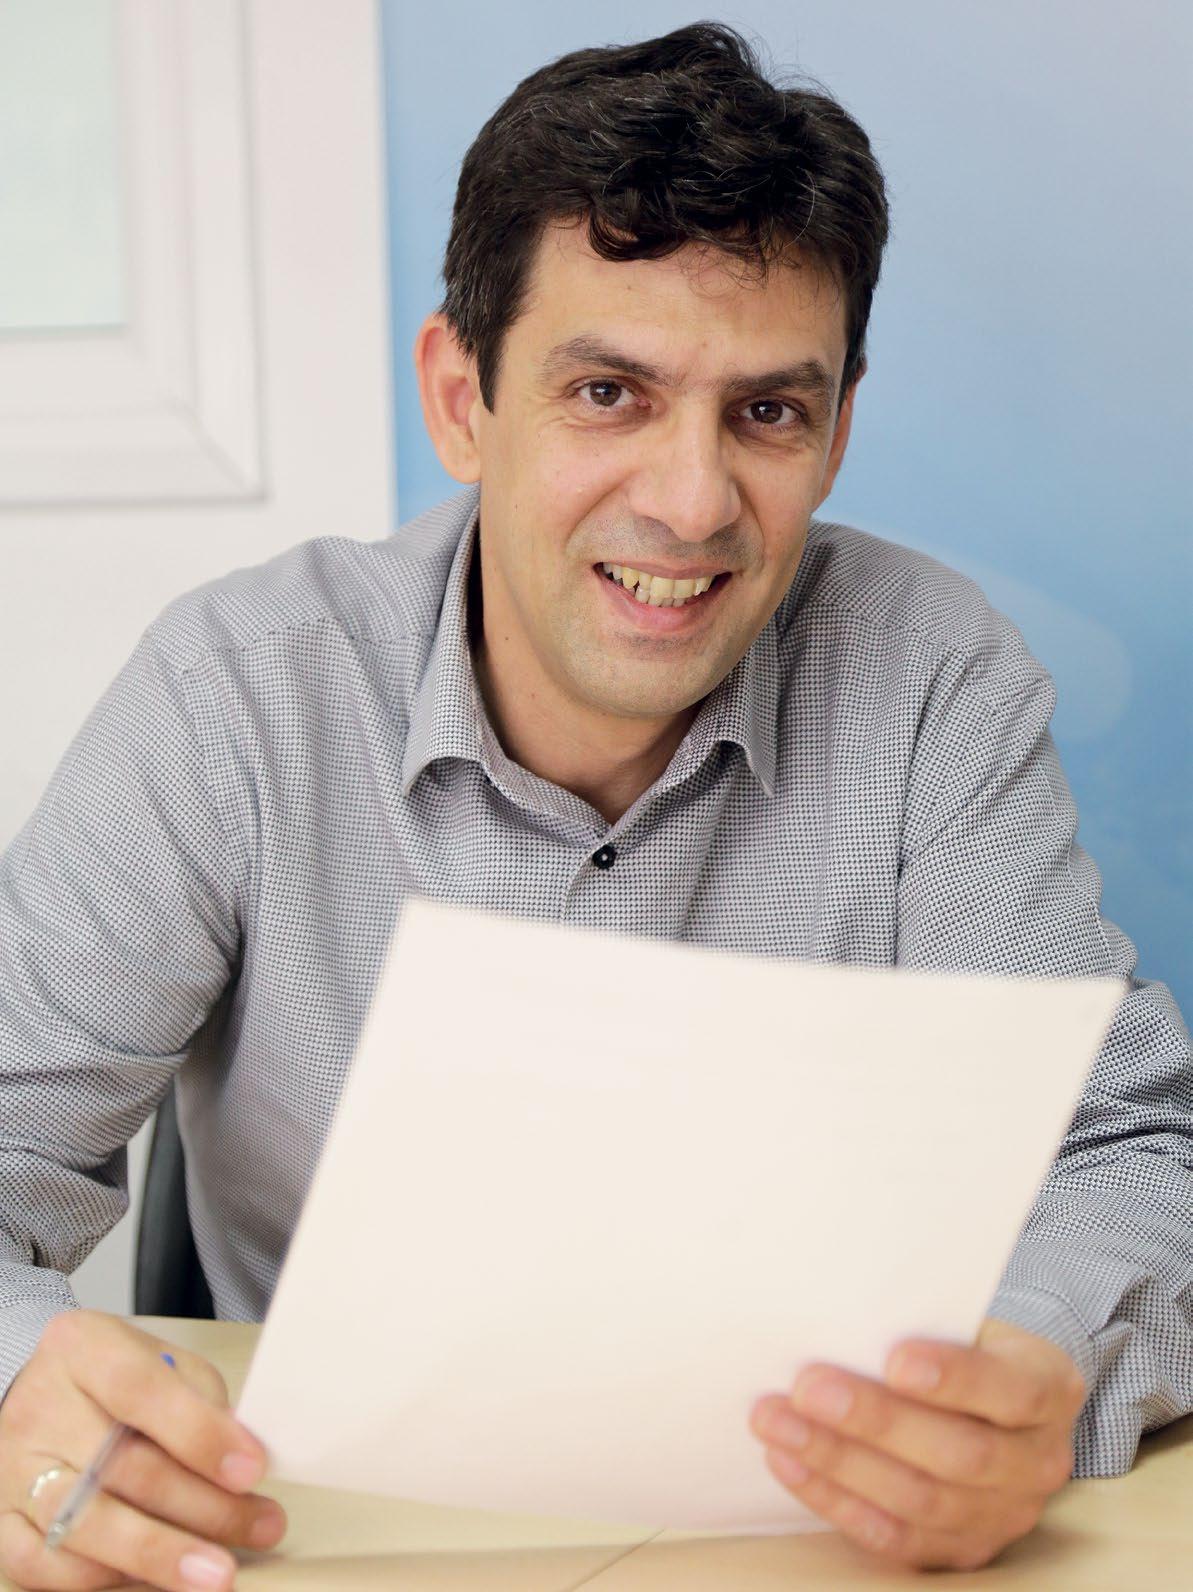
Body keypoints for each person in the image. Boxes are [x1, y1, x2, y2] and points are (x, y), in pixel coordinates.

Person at [0, 20, 1189, 1590]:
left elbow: (1124, 1153)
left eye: (766, 412)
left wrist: (1033, 1372)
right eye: (609, 391)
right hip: (316, 1538)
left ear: (835, 431)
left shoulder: (931, 685)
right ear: (461, 397)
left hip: (802, 1547)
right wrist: (15, 1388)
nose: (690, 503)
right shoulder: (238, 692)